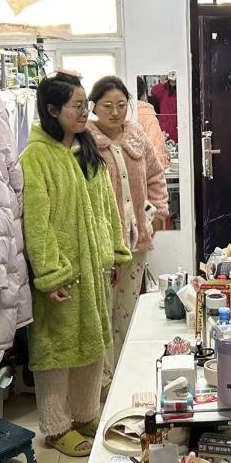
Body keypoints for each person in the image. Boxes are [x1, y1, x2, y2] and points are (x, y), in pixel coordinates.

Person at [21, 72, 131, 457]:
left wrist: (114, 252)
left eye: (87, 105)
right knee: (57, 350)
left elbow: (107, 209)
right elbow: (36, 223)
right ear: (52, 110)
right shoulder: (36, 157)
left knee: (93, 345)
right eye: (78, 106)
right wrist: (50, 275)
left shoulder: (87, 150)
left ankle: (85, 414)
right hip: (64, 273)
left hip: (94, 269)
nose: (86, 112)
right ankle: (55, 427)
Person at [88, 76, 169, 381]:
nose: (115, 112)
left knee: (128, 311)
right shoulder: (85, 141)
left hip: (136, 241)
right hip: (103, 246)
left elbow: (156, 177)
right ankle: (104, 379)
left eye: (121, 105)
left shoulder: (136, 136)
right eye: (107, 105)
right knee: (103, 313)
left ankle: (126, 374)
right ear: (94, 106)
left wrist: (157, 214)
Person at [136, 75, 170, 170]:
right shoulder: (146, 112)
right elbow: (158, 153)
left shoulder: (122, 112)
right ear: (143, 94)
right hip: (147, 170)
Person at [149, 72, 178, 143]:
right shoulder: (162, 90)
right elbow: (154, 91)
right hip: (164, 129)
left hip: (177, 128)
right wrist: (164, 81)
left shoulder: (182, 90)